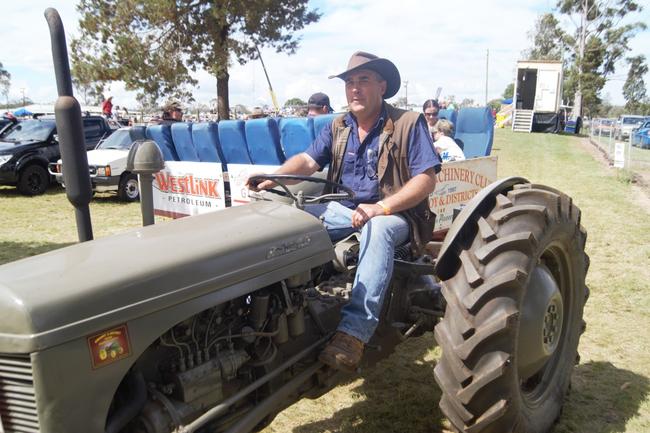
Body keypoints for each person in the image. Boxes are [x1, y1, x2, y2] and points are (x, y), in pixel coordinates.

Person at [247, 51, 440, 372]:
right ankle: (272, 312)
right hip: (343, 211)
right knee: (291, 222)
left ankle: (354, 333)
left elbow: (426, 179)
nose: (354, 88)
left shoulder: (408, 123)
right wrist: (275, 176)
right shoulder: (339, 126)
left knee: (377, 230)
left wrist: (381, 207)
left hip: (396, 216)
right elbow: (308, 162)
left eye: (363, 80)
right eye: (350, 82)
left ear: (382, 85)